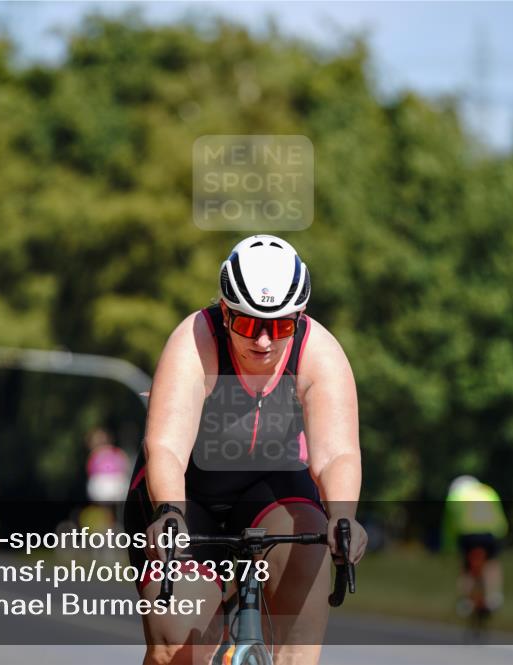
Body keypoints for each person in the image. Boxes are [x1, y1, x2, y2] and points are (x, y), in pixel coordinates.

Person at [124, 234, 366, 665]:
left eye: (281, 326)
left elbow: (336, 454)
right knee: (176, 650)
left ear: (300, 316)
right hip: (187, 496)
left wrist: (344, 517)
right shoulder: (195, 339)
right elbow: (167, 447)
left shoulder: (320, 352)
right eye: (249, 324)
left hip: (270, 489)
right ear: (224, 310)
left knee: (303, 614)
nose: (264, 341)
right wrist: (170, 515)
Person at [441, 475, 508, 615]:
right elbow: (499, 515)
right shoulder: (488, 491)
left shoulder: (455, 496)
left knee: (466, 568)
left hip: (468, 533)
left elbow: (449, 525)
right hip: (491, 532)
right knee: (492, 563)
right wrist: (501, 535)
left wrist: (449, 546)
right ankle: (494, 596)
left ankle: (466, 601)